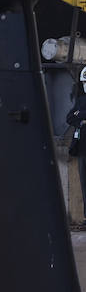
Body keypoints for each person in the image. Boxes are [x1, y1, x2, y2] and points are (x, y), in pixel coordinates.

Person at [68, 69, 86, 223]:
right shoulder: (80, 100)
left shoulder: (81, 104)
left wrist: (80, 114)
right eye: (84, 82)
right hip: (82, 149)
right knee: (84, 184)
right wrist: (81, 119)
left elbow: (76, 115)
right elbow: (69, 117)